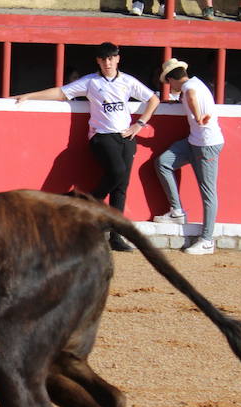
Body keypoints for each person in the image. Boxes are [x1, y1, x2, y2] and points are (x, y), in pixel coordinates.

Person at [12, 41, 160, 251]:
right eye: (103, 59)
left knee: (121, 186)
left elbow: (153, 99)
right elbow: (61, 93)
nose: (107, 63)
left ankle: (116, 236)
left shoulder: (127, 81)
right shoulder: (91, 82)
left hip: (126, 137)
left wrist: (140, 124)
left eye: (111, 58)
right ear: (98, 61)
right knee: (117, 172)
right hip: (102, 136)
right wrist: (29, 95)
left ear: (117, 58)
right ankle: (84, 208)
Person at [153, 58, 224, 256]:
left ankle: (207, 240)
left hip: (207, 144)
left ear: (171, 79)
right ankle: (177, 211)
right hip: (195, 141)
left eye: (168, 83)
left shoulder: (189, 88)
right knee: (163, 162)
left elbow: (191, 96)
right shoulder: (195, 82)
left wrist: (198, 116)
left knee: (208, 192)